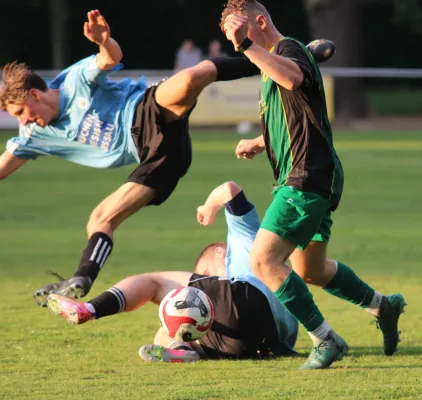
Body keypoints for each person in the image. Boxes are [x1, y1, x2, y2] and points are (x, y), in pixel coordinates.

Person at [0, 8, 336, 307]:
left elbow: (109, 57)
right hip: (158, 158)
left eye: (21, 112)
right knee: (100, 217)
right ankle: (81, 279)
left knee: (192, 76)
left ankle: (295, 58)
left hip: (149, 110)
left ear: (34, 94)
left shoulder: (73, 81)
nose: (23, 121)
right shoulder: (33, 136)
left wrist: (104, 41)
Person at [220, 0, 406, 369]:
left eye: (238, 31)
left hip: (306, 175)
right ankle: (382, 306)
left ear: (258, 22)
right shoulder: (273, 59)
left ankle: (326, 340)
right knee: (311, 269)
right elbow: (294, 114)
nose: (234, 41)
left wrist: (246, 46)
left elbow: (293, 79)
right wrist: (259, 143)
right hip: (314, 174)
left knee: (263, 259)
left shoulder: (285, 50)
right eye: (229, 36)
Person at [46, 181, 299, 362]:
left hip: (246, 297)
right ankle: (183, 349)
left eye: (206, 273)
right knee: (177, 327)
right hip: (258, 345)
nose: (203, 280)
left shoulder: (244, 238)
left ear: (220, 253)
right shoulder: (279, 266)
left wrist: (208, 207)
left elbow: (229, 190)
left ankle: (89, 309)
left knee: (155, 282)